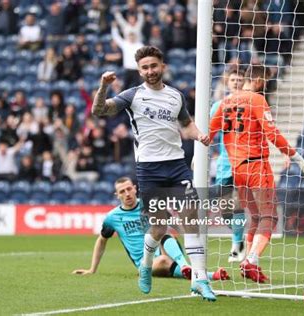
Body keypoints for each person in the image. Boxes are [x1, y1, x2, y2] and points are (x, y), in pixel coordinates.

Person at [91, 46, 214, 300]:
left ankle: (201, 280)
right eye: (145, 68)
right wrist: (103, 86)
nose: (150, 71)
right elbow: (99, 110)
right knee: (158, 227)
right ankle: (146, 266)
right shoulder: (132, 95)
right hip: (149, 168)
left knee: (190, 218)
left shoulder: (175, 96)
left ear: (163, 66)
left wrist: (199, 134)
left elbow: (186, 125)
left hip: (177, 164)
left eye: (153, 66)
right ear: (140, 70)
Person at [209, 65, 304, 283]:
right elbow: (272, 133)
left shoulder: (224, 102)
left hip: (237, 170)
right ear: (257, 80)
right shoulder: (256, 99)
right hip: (256, 165)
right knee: (270, 216)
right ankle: (251, 260)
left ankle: (247, 261)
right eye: (264, 82)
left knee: (255, 216)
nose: (265, 86)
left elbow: (210, 132)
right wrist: (297, 157)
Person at [73, 177, 229, 282]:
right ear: (117, 195)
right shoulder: (112, 218)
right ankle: (208, 275)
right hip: (145, 263)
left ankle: (184, 266)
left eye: (129, 189)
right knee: (162, 260)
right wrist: (92, 269)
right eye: (122, 191)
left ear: (135, 189)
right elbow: (102, 240)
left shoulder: (150, 205)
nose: (127, 194)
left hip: (165, 249)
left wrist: (191, 235)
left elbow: (173, 223)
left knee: (163, 232)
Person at [209, 66, 246, 263]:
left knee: (237, 203)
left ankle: (237, 246)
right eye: (234, 80)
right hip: (225, 162)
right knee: (224, 209)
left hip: (245, 161)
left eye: (240, 80)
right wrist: (199, 155)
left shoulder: (251, 104)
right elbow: (209, 133)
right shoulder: (218, 106)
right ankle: (240, 236)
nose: (237, 83)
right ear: (227, 82)